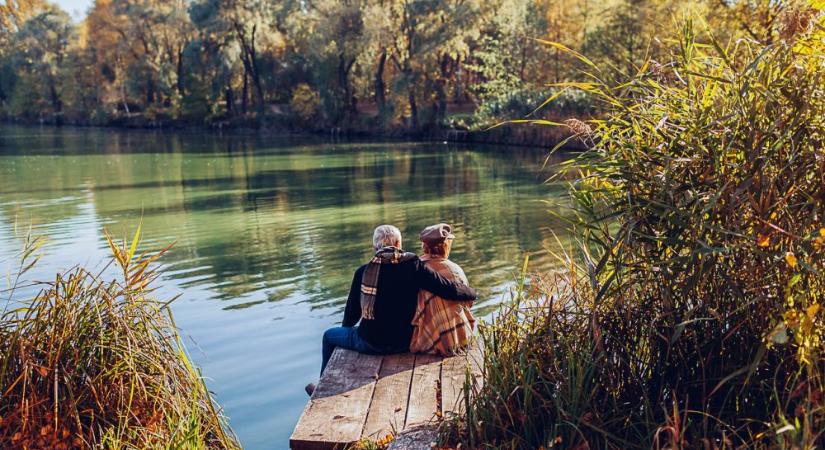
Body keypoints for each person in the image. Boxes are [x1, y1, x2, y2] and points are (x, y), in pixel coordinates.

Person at [318, 224, 477, 375]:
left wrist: (348, 331)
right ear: (399, 243)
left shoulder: (363, 272)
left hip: (370, 343)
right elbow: (448, 289)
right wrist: (472, 292)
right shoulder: (414, 266)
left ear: (375, 247)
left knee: (328, 336)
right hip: (405, 342)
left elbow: (352, 315)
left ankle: (320, 384)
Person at [410, 223, 476, 356]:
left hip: (428, 342)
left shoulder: (415, 269)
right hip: (461, 338)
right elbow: (469, 303)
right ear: (446, 245)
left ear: (424, 246)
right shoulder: (455, 270)